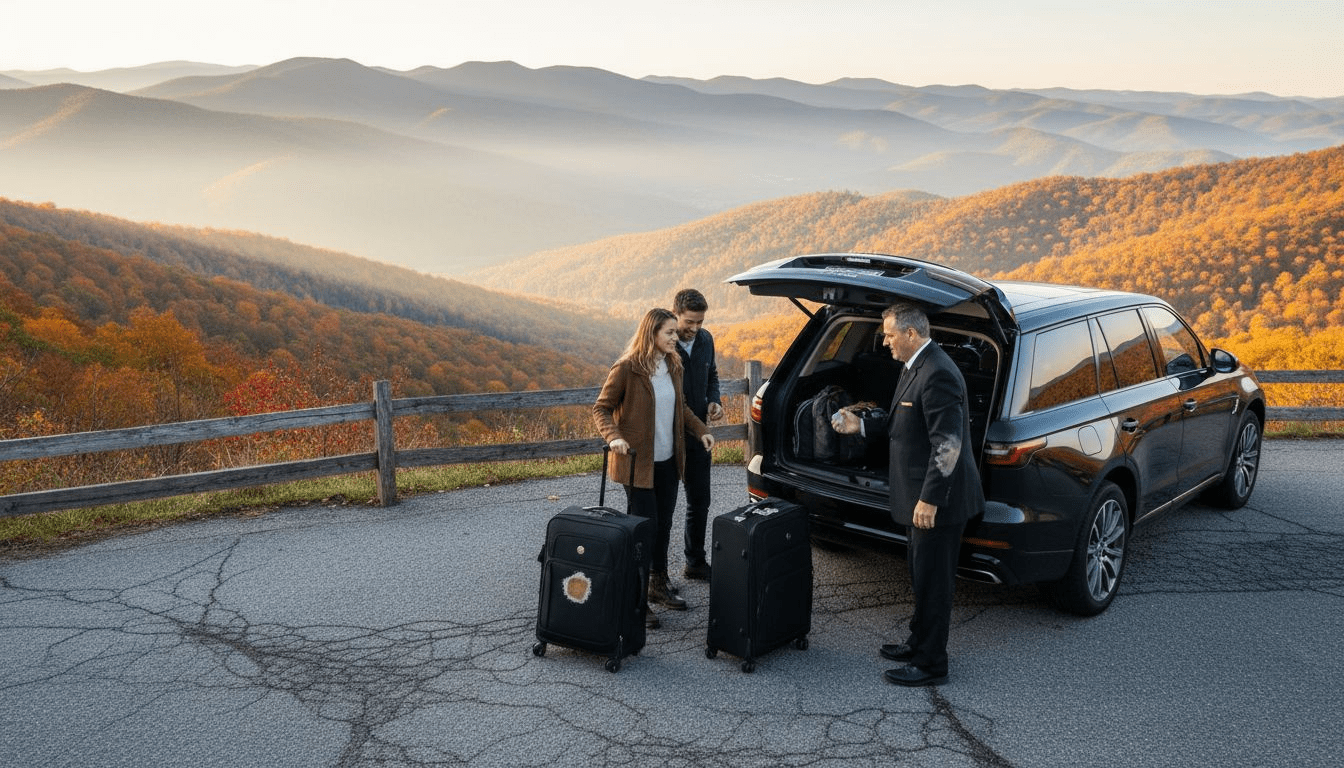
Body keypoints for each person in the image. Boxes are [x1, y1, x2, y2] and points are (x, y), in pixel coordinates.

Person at [832, 302, 985, 686]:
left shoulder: (937, 374)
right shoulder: (914, 365)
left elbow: (948, 445)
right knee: (920, 574)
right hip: (918, 498)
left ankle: (932, 664)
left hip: (938, 502)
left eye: (889, 334)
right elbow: (904, 422)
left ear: (911, 334)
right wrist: (861, 426)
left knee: (934, 582)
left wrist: (930, 499)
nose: (884, 342)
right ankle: (918, 643)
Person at [594, 307, 715, 622]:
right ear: (652, 334)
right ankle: (636, 598)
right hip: (637, 464)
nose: (677, 337)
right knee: (643, 530)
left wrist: (701, 430)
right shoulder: (626, 369)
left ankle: (657, 585)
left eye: (676, 332)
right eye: (670, 333)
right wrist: (614, 438)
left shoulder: (673, 365)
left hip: (668, 461)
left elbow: (682, 407)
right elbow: (601, 409)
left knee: (663, 527)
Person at [672, 288, 723, 581]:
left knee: (699, 502)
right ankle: (657, 575)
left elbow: (712, 375)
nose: (694, 328)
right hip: (668, 438)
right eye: (689, 322)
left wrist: (714, 399)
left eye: (700, 322)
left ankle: (694, 562)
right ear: (676, 313)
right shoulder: (663, 344)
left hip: (699, 437)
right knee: (662, 512)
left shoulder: (706, 340)